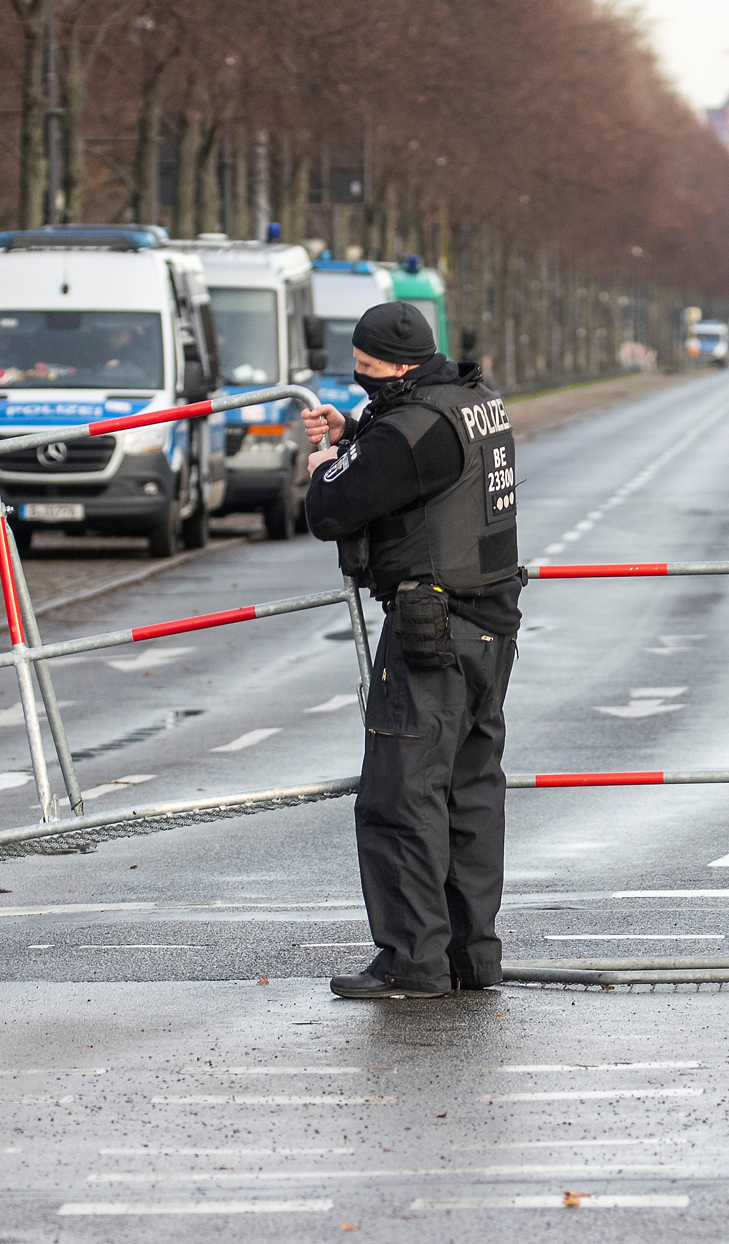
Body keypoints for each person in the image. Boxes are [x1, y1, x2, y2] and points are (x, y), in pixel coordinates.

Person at [301, 301, 523, 1000]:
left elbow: (330, 510)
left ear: (395, 367)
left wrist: (326, 461)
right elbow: (419, 460)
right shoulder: (475, 400)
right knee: (468, 794)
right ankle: (469, 956)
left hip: (429, 631)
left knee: (401, 797)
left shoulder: (409, 430)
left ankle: (410, 960)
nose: (359, 383)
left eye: (365, 375)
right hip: (491, 623)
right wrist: (357, 431)